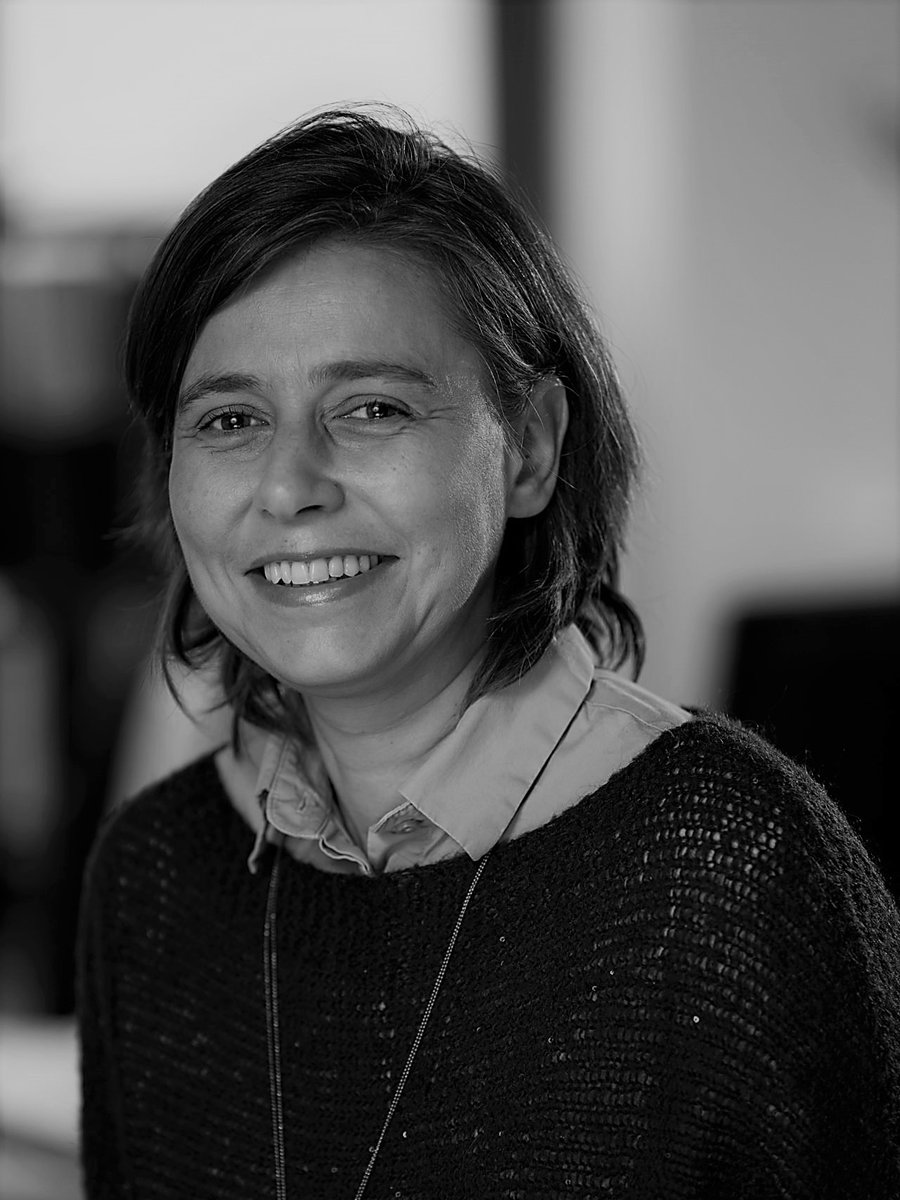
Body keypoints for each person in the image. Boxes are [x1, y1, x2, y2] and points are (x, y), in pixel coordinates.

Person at [77, 106, 900, 1200]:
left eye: (372, 408)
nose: (289, 487)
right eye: (229, 421)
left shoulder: (734, 872)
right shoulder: (150, 878)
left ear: (531, 449)